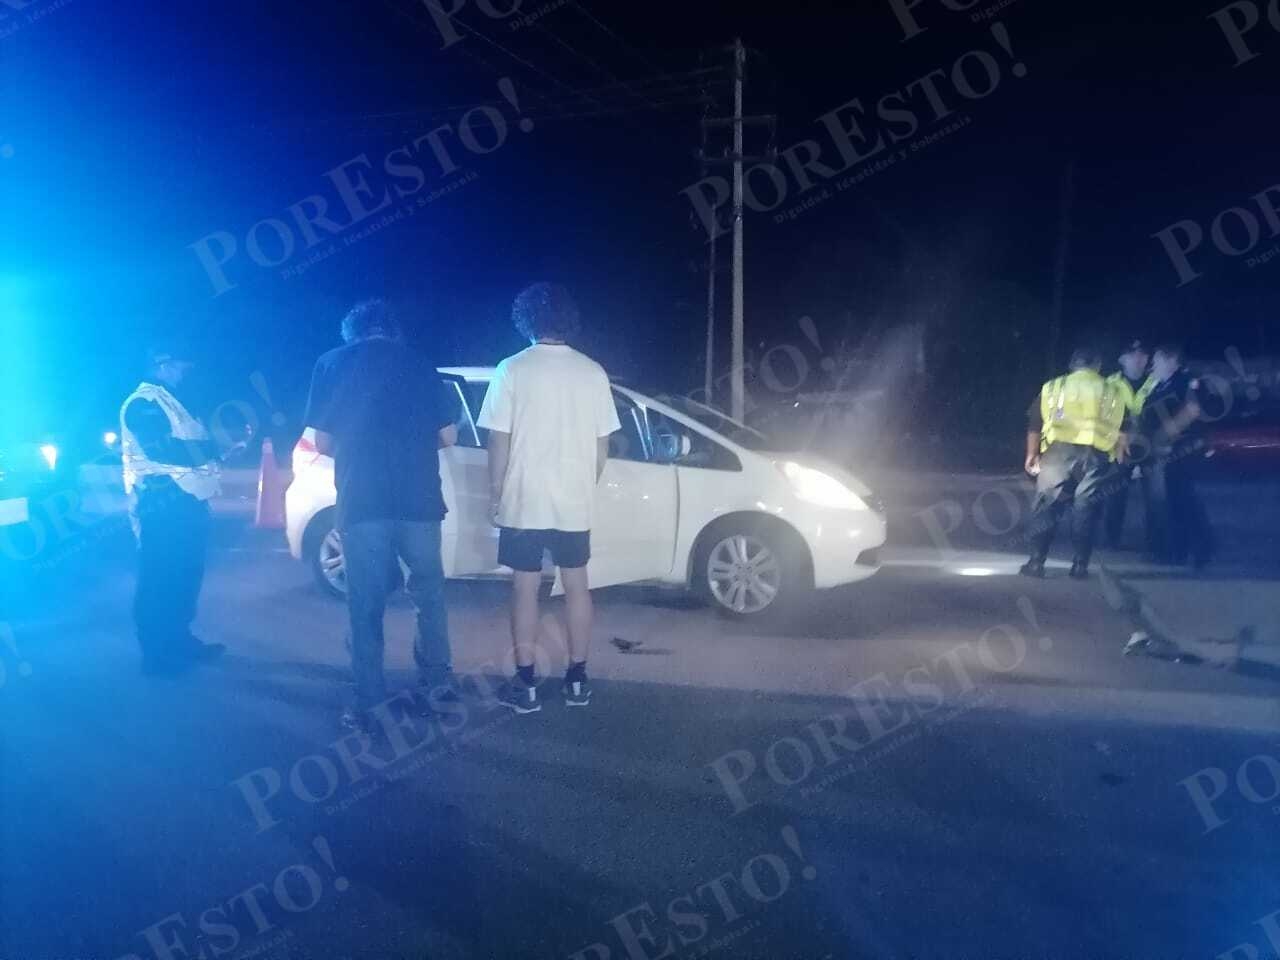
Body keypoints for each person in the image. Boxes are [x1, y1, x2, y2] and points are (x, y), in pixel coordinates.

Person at [303, 299, 459, 733]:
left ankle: (370, 701)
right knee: (428, 595)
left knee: (365, 602)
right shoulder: (421, 365)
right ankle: (437, 688)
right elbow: (447, 435)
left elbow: (321, 440)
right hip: (420, 501)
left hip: (361, 500)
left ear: (353, 331)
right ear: (393, 330)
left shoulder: (330, 364)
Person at [476, 283, 620, 714]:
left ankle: (526, 683)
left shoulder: (511, 369)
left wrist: (495, 491)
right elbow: (602, 446)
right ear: (568, 319)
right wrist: (583, 484)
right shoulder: (593, 371)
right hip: (573, 500)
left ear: (526, 320)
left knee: (524, 588)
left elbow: (497, 440)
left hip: (524, 498)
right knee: (577, 585)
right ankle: (577, 679)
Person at [121, 344, 238, 675]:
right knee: (159, 577)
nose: (185, 371)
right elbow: (161, 449)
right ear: (161, 364)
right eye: (179, 365)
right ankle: (156, 655)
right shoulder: (142, 403)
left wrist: (215, 452)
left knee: (185, 575)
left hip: (185, 502)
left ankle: (179, 640)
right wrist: (213, 448)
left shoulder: (172, 403)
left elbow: (186, 444)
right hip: (160, 503)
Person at [1020, 346, 1127, 579]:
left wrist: (1032, 454)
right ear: (1097, 366)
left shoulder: (1054, 387)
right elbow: (1123, 428)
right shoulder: (1112, 390)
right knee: (1085, 509)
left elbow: (1035, 424)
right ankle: (1080, 566)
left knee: (1046, 505)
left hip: (1058, 452)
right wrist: (1119, 456)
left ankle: (1036, 563)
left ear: (1072, 365)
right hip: (1096, 454)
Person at [1139, 343, 1214, 569]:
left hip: (1184, 452)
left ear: (1172, 360)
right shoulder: (1160, 385)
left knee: (1187, 503)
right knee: (1173, 504)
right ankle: (1177, 551)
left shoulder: (1186, 382)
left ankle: (1201, 551)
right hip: (1164, 455)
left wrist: (1162, 436)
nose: (1153, 364)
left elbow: (1192, 412)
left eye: (1158, 359)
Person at [1102, 340, 1156, 549]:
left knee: (1154, 498)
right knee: (1115, 496)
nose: (1139, 358)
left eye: (1143, 355)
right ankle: (1111, 540)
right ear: (1121, 359)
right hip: (1120, 444)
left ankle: (1154, 542)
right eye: (1133, 354)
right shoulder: (1110, 383)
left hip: (1150, 446)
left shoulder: (1155, 380)